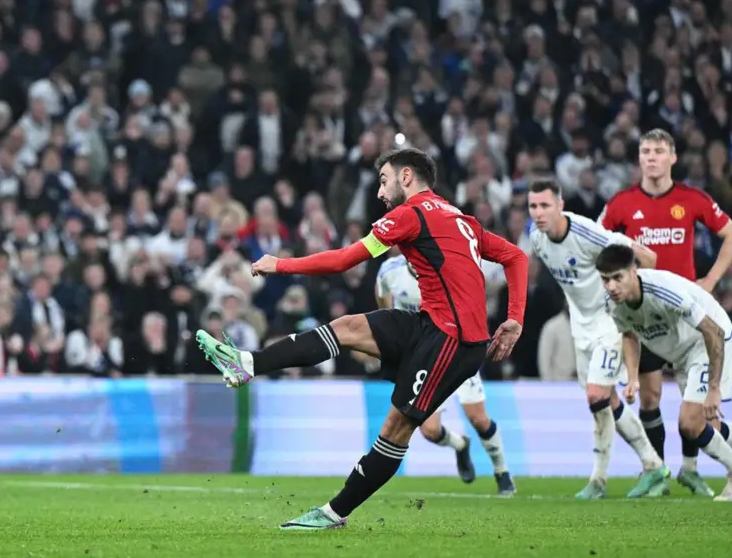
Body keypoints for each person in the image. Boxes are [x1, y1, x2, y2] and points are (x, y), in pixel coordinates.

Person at [196, 147, 528, 529]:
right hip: (430, 324)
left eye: (384, 180)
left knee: (397, 428)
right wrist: (514, 318)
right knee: (348, 327)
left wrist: (280, 264)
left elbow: (344, 260)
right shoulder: (461, 218)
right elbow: (516, 256)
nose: (380, 192)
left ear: (407, 177)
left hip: (453, 340)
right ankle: (247, 363)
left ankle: (334, 513)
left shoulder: (410, 215)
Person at [598, 129, 732, 496]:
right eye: (645, 151)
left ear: (673, 157)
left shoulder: (691, 199)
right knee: (649, 397)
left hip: (686, 314)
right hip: (645, 314)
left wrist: (710, 279)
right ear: (639, 157)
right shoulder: (622, 203)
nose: (651, 157)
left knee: (689, 406)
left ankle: (691, 469)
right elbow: (598, 242)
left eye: (659, 151)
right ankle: (657, 472)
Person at [596, 244, 732, 502]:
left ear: (634, 270)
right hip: (681, 352)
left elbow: (712, 331)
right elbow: (629, 334)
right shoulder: (613, 303)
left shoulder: (662, 292)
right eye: (605, 279)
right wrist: (633, 377)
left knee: (690, 422)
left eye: (617, 278)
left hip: (709, 339)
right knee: (706, 428)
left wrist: (714, 389)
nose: (611, 286)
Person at [526, 177, 668, 498]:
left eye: (545, 205)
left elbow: (647, 257)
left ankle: (633, 470)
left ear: (560, 205)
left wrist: (638, 303)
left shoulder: (587, 233)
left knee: (596, 395)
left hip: (610, 322)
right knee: (603, 402)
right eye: (533, 206)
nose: (538, 212)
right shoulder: (536, 239)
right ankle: (626, 473)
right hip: (581, 327)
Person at [375, 250, 515, 495]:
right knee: (429, 430)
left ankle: (502, 472)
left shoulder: (446, 268)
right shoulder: (389, 270)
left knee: (479, 419)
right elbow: (382, 299)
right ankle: (460, 445)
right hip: (423, 361)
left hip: (457, 351)